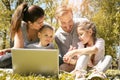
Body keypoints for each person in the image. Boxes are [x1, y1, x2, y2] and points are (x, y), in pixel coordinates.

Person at [0, 2, 45, 68]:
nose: (42, 24)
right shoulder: (20, 27)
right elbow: (18, 50)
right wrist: (7, 50)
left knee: (58, 59)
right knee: (4, 60)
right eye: (39, 22)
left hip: (38, 56)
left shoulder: (45, 28)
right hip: (22, 56)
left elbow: (48, 47)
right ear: (30, 23)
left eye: (43, 21)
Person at [55, 5, 90, 72]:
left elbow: (94, 44)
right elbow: (66, 59)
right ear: (57, 21)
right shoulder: (57, 36)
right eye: (63, 23)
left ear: (73, 16)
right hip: (74, 63)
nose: (68, 26)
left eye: (70, 21)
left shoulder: (83, 23)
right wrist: (68, 57)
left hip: (88, 58)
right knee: (62, 67)